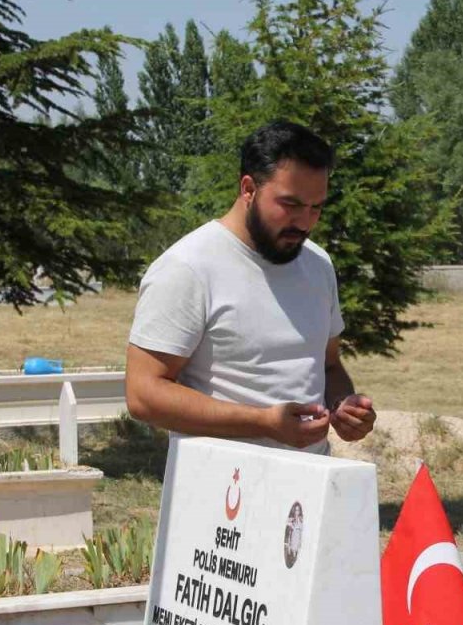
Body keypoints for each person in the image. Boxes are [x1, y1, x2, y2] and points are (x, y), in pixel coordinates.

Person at [125, 121, 376, 453]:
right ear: (248, 189)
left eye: (317, 207)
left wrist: (344, 405)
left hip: (310, 489)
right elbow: (143, 395)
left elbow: (328, 364)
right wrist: (263, 422)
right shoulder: (187, 267)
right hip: (222, 493)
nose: (305, 222)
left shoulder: (318, 265)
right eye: (291, 204)